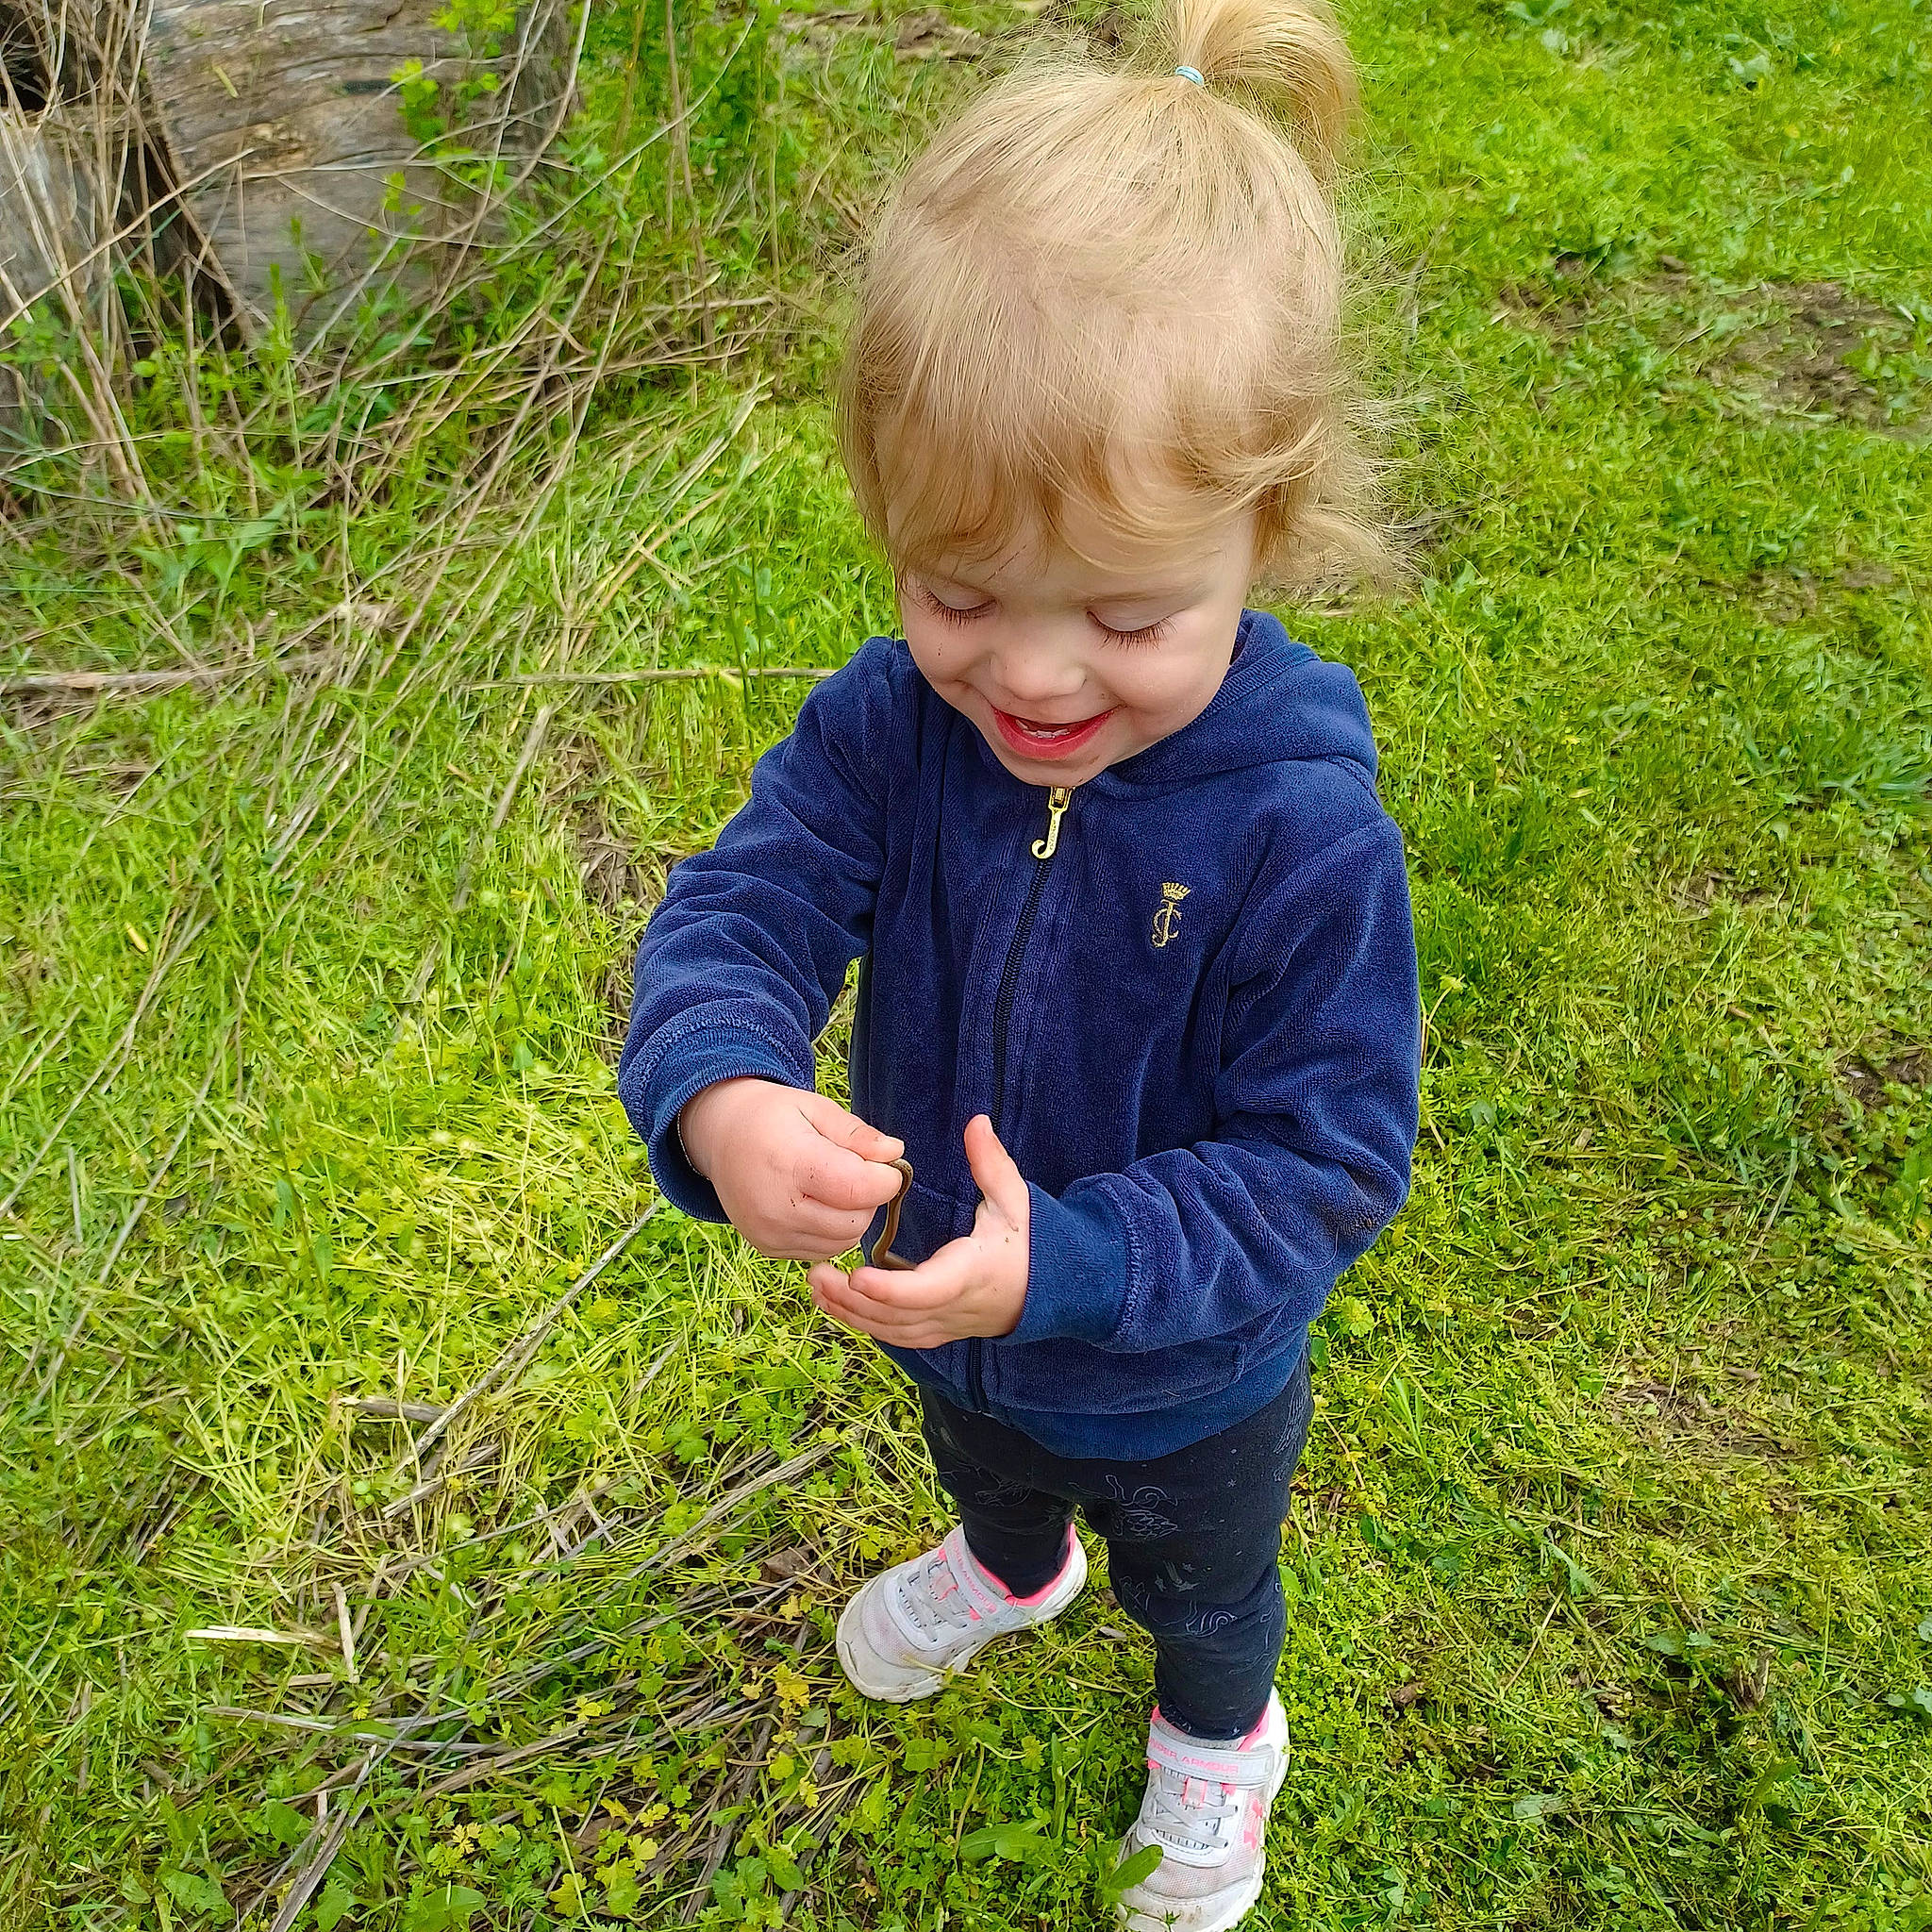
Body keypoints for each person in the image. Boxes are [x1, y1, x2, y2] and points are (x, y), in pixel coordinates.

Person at [619, 0, 1420, 1921]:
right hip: (937, 1313)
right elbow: (741, 906)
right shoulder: (892, 730)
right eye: (958, 591)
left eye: (1131, 613)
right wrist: (723, 1088)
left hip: (1188, 1371)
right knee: (986, 1463)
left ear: (1269, 532)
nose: (1035, 679)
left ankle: (1220, 1735)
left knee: (1201, 1577)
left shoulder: (1298, 832)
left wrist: (1067, 1264)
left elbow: (1327, 1160)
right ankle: (1005, 1566)